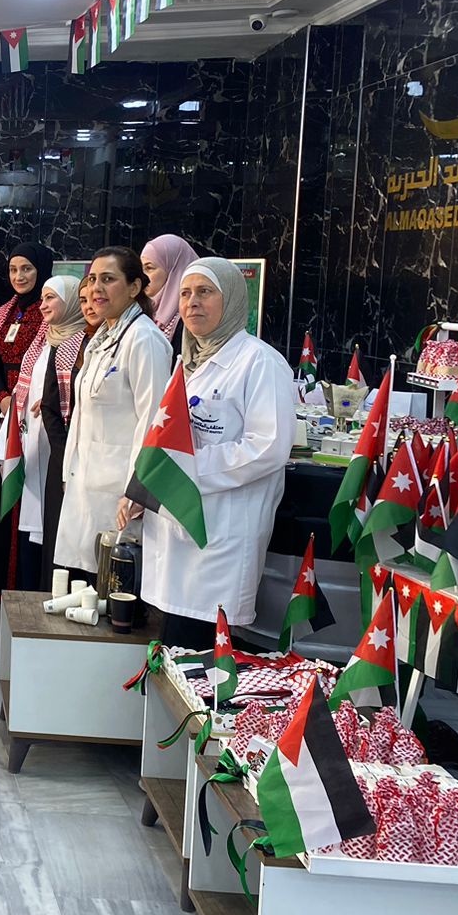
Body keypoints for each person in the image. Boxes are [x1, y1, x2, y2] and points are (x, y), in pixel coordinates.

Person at [140, 257, 295, 647]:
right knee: (172, 648)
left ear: (233, 299)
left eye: (205, 292)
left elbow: (269, 447)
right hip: (177, 533)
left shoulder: (260, 362)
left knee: (202, 656)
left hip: (221, 538)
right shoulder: (188, 361)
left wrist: (190, 468)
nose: (191, 302)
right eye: (185, 293)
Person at [53, 247, 173, 581]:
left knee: (112, 584)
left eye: (108, 279)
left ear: (134, 287)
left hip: (121, 493)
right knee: (84, 584)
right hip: (86, 482)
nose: (96, 288)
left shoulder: (144, 339)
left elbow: (153, 421)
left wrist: (137, 490)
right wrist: (67, 472)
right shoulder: (103, 337)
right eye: (92, 279)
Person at [0, 242, 55, 600]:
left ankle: (23, 585)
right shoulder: (7, 312)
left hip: (33, 415)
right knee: (3, 493)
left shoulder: (50, 310)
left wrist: (21, 401)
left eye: (26, 269)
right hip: (6, 411)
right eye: (13, 269)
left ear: (42, 270)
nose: (19, 276)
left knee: (29, 496)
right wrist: (1, 399)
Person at [16, 277, 89, 593]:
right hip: (38, 436)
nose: (43, 305)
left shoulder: (80, 342)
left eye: (51, 298)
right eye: (42, 298)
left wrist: (48, 402)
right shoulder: (46, 338)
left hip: (59, 443)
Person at [142, 234, 197, 345]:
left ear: (173, 270)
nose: (142, 276)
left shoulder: (191, 318)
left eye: (149, 268)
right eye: (141, 269)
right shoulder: (143, 310)